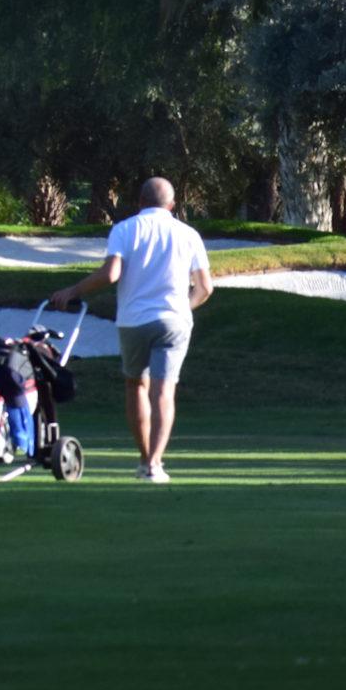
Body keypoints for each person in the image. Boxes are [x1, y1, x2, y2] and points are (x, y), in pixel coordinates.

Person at [47, 177, 210, 483]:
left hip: (134, 320)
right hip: (175, 321)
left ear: (140, 202)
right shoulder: (189, 234)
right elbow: (204, 288)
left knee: (136, 386)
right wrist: (181, 309)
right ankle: (155, 464)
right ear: (172, 206)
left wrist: (74, 290)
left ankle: (144, 458)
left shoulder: (125, 229)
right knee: (165, 391)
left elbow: (111, 274)